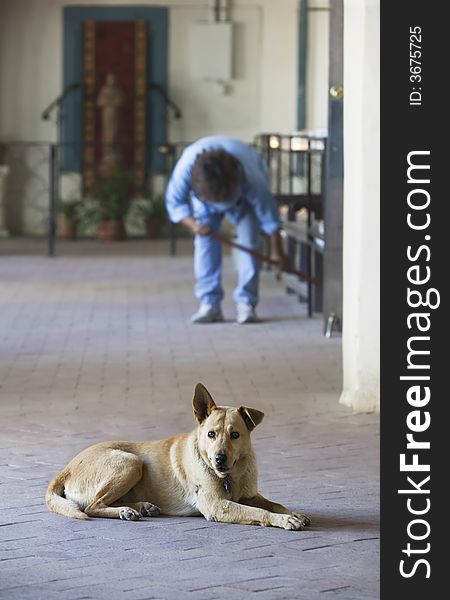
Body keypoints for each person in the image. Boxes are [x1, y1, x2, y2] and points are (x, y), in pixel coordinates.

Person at [165, 136, 289, 324]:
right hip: (203, 206)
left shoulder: (251, 176)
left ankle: (247, 303)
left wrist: (277, 252)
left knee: (250, 244)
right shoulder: (186, 169)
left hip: (243, 203)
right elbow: (174, 204)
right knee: (204, 245)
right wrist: (194, 225)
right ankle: (209, 303)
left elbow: (269, 216)